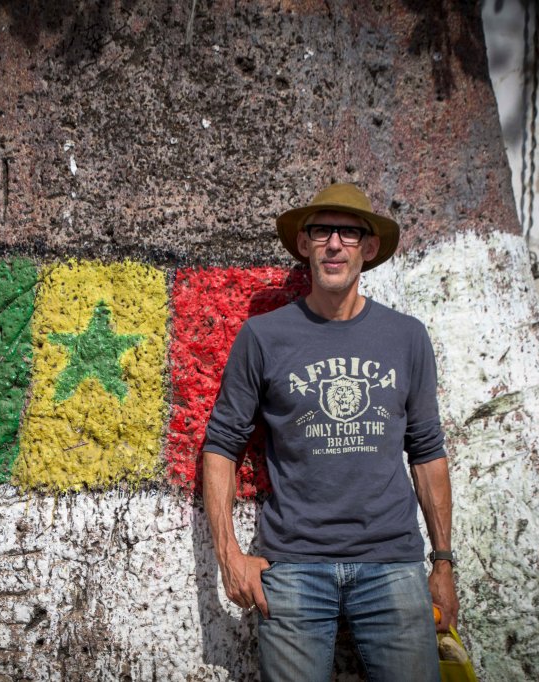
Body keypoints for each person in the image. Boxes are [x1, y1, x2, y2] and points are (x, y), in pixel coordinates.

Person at [202, 183, 459, 681]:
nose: (335, 243)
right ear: (305, 244)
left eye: (349, 232)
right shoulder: (263, 336)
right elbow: (221, 446)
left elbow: (427, 453)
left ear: (368, 247)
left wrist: (443, 563)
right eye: (322, 230)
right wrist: (229, 555)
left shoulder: (407, 337)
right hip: (294, 568)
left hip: (392, 565)